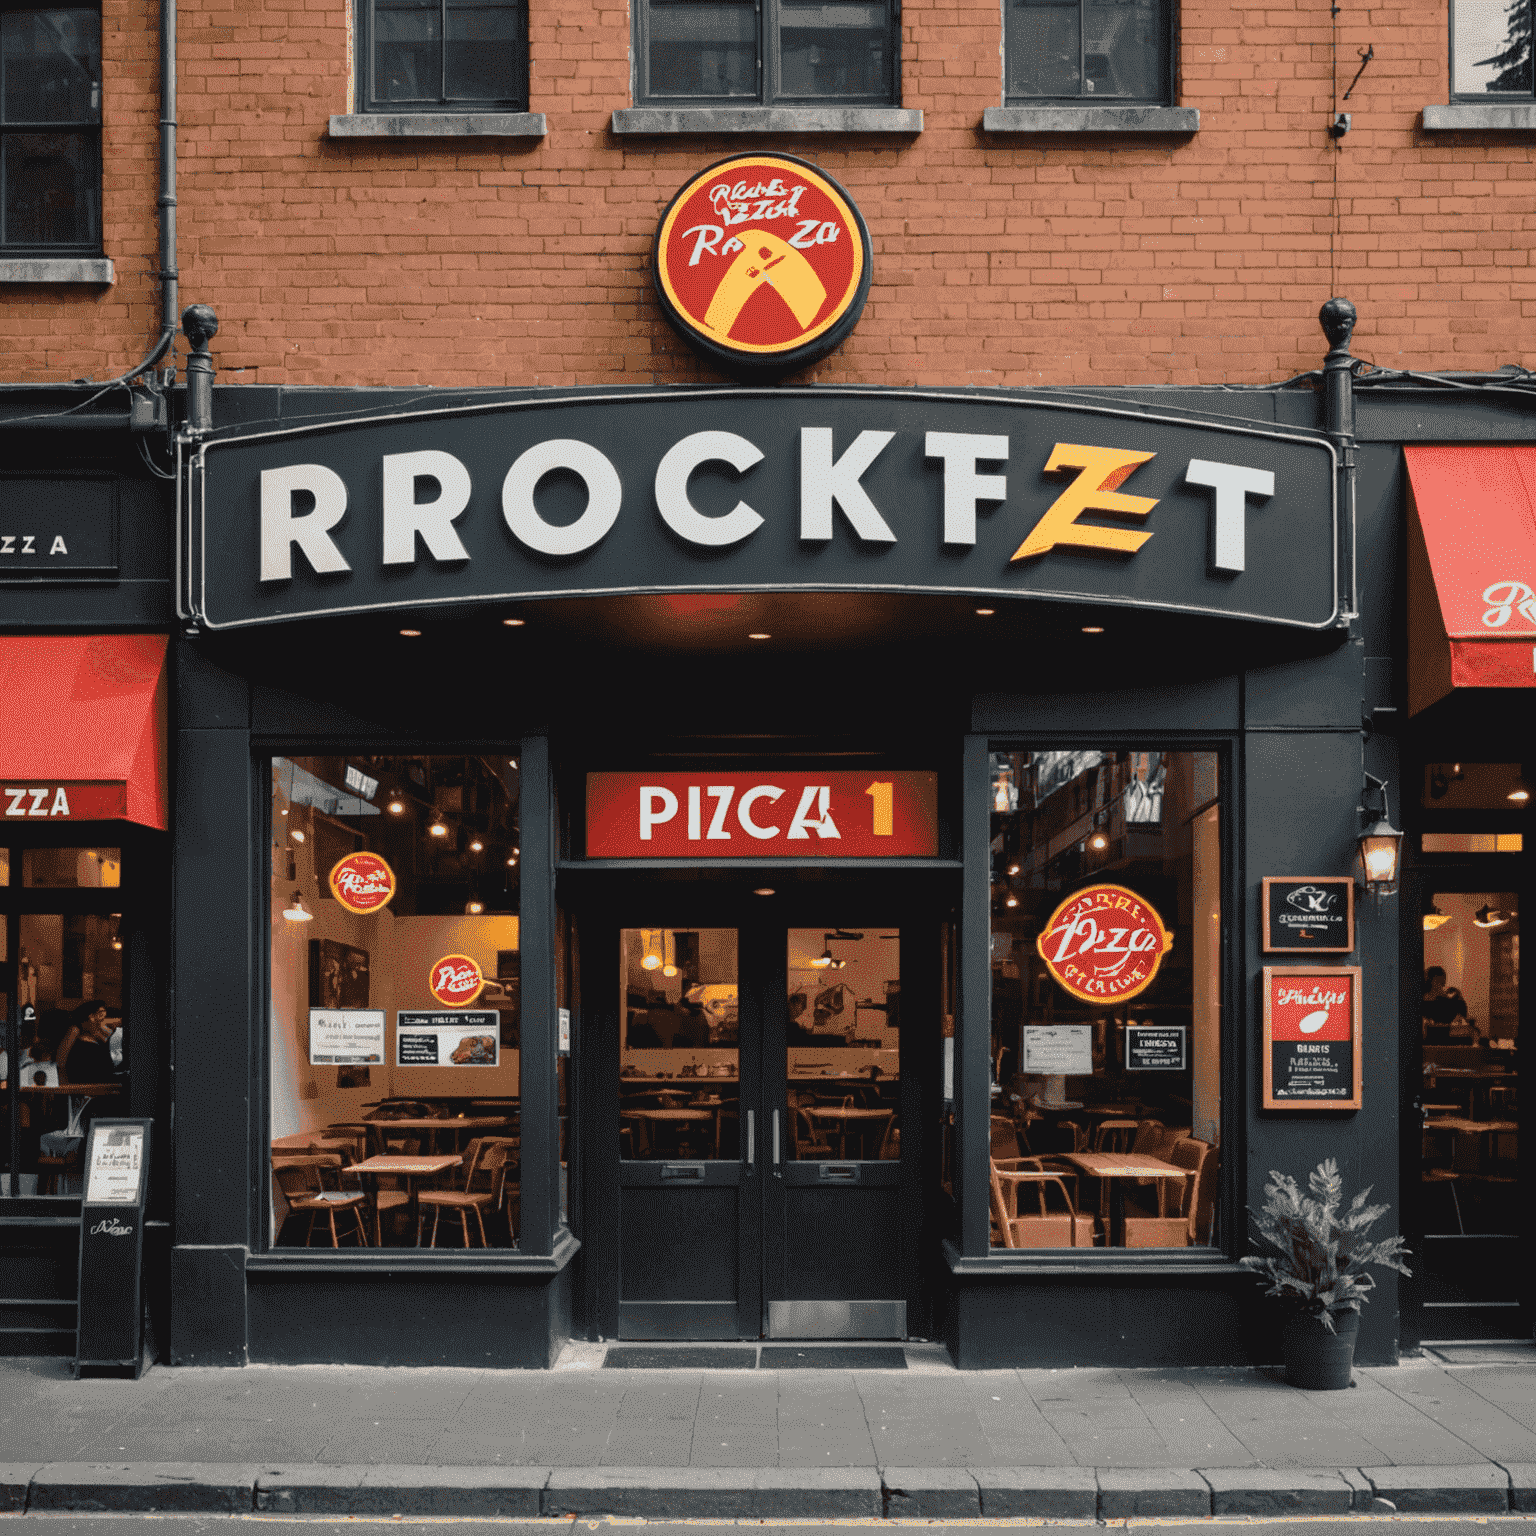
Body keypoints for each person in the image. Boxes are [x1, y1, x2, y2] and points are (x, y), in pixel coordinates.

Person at [56, 1001, 118, 1084]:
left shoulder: (100, 1039)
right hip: (86, 1090)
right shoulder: (75, 1035)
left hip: (105, 1087)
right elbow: (60, 1063)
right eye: (99, 1014)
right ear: (90, 1017)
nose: (102, 1022)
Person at [1423, 966, 1470, 1044]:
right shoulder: (1427, 1002)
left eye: (1440, 983)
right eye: (1436, 981)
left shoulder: (1451, 1002)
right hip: (1431, 1039)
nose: (1440, 986)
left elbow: (1462, 1020)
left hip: (1448, 1037)